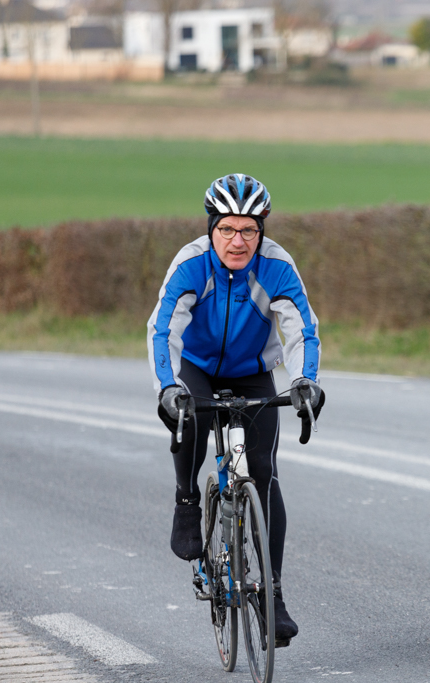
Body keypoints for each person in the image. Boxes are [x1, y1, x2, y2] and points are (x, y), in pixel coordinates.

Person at [147, 173, 323, 646]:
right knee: (192, 417)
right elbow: (163, 329)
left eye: (248, 230)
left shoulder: (276, 267)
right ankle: (187, 499)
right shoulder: (191, 264)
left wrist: (305, 381)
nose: (237, 241)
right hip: (197, 367)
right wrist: (168, 387)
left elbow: (301, 330)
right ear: (212, 228)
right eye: (227, 229)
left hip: (252, 370)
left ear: (262, 231)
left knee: (264, 472)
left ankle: (273, 595)